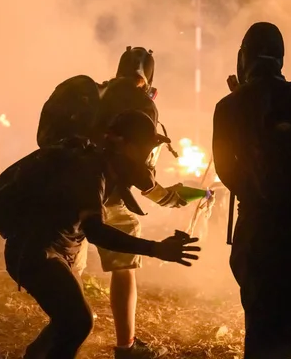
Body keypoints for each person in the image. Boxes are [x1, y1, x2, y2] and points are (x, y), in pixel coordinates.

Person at [0, 109, 201, 359]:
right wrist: (156, 249)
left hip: (55, 251)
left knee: (67, 321)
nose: (146, 156)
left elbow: (145, 188)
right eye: (143, 148)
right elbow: (96, 232)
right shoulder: (90, 171)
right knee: (78, 322)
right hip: (37, 253)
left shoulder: (106, 164)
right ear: (123, 144)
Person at [36, 46, 187, 359]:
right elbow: (139, 167)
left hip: (68, 192)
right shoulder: (142, 104)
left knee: (68, 271)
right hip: (108, 195)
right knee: (124, 267)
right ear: (148, 79)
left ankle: (63, 338)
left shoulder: (93, 94)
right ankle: (126, 345)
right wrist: (165, 196)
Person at [212, 22, 291, 359]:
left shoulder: (228, 107)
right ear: (280, 58)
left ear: (243, 57)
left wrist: (256, 193)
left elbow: (226, 170)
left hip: (258, 235)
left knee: (262, 326)